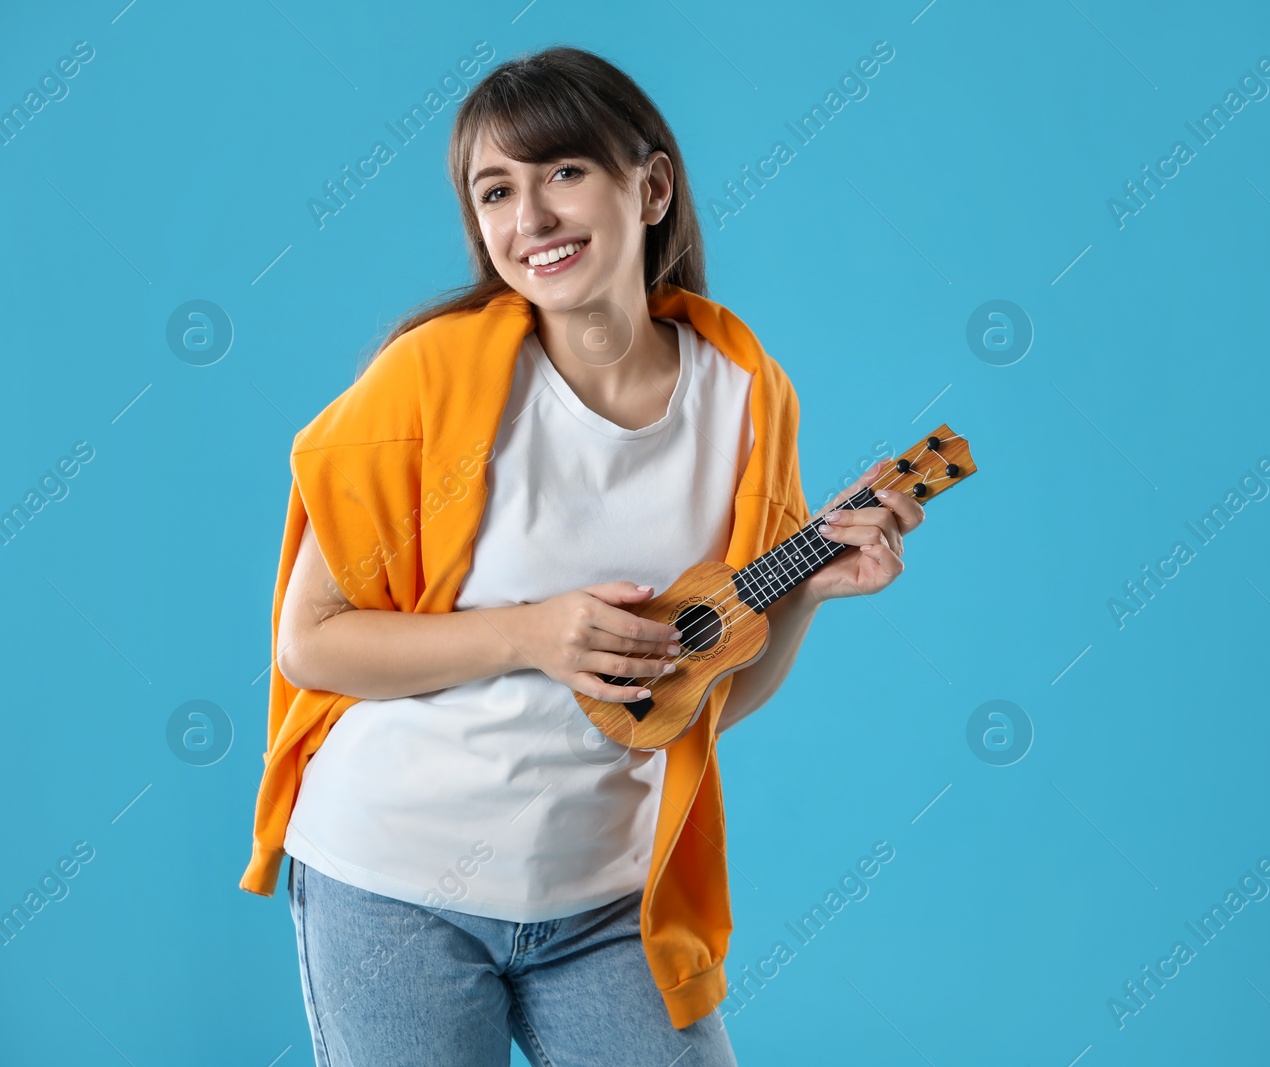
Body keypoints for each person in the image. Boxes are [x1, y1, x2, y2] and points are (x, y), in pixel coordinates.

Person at [240, 46, 923, 1066]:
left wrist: (808, 598)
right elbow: (312, 641)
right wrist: (532, 634)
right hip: (394, 881)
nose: (531, 219)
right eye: (496, 191)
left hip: (607, 893)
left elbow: (699, 698)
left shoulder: (745, 397)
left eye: (562, 172)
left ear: (649, 187)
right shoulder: (429, 379)